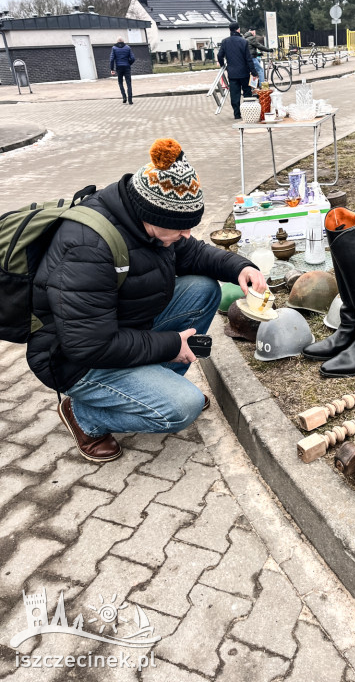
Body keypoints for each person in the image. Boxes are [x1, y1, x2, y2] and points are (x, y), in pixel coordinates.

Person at [26, 137, 266, 462]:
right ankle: (85, 415)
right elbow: (89, 345)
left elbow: (192, 252)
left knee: (203, 287)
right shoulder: (87, 248)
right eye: (181, 228)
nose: (187, 235)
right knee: (184, 407)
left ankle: (155, 387)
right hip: (76, 361)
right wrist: (170, 345)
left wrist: (241, 267)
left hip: (120, 328)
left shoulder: (149, 221)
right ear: (152, 215)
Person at [217, 22, 259, 119]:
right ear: (238, 29)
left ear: (230, 30)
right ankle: (248, 112)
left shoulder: (225, 42)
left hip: (232, 73)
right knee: (247, 92)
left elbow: (219, 56)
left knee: (234, 94)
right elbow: (249, 59)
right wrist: (254, 72)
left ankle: (237, 114)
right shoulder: (243, 42)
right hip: (244, 72)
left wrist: (224, 66)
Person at [110, 37, 136, 104]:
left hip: (119, 67)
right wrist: (129, 63)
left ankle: (124, 97)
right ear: (123, 41)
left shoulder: (114, 48)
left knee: (120, 82)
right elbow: (133, 58)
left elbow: (112, 59)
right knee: (128, 83)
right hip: (127, 67)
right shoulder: (127, 47)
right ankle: (130, 100)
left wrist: (112, 69)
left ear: (117, 41)